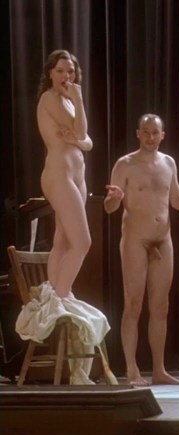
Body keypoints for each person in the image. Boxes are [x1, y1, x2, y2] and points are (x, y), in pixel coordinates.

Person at [104, 114, 179, 386]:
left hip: (163, 241)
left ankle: (158, 369)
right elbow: (109, 208)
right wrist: (114, 199)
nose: (150, 137)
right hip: (136, 240)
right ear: (137, 133)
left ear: (163, 135)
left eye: (155, 132)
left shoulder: (169, 163)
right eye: (146, 132)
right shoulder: (125, 164)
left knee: (160, 306)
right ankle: (132, 369)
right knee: (133, 304)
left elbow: (176, 201)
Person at [36, 49, 93, 299]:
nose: (66, 76)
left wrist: (78, 140)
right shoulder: (50, 98)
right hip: (59, 175)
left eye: (70, 71)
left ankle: (55, 294)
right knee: (82, 242)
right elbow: (81, 133)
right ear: (50, 74)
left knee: (63, 240)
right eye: (60, 71)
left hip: (76, 176)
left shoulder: (68, 101)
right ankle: (60, 298)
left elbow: (88, 141)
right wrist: (79, 100)